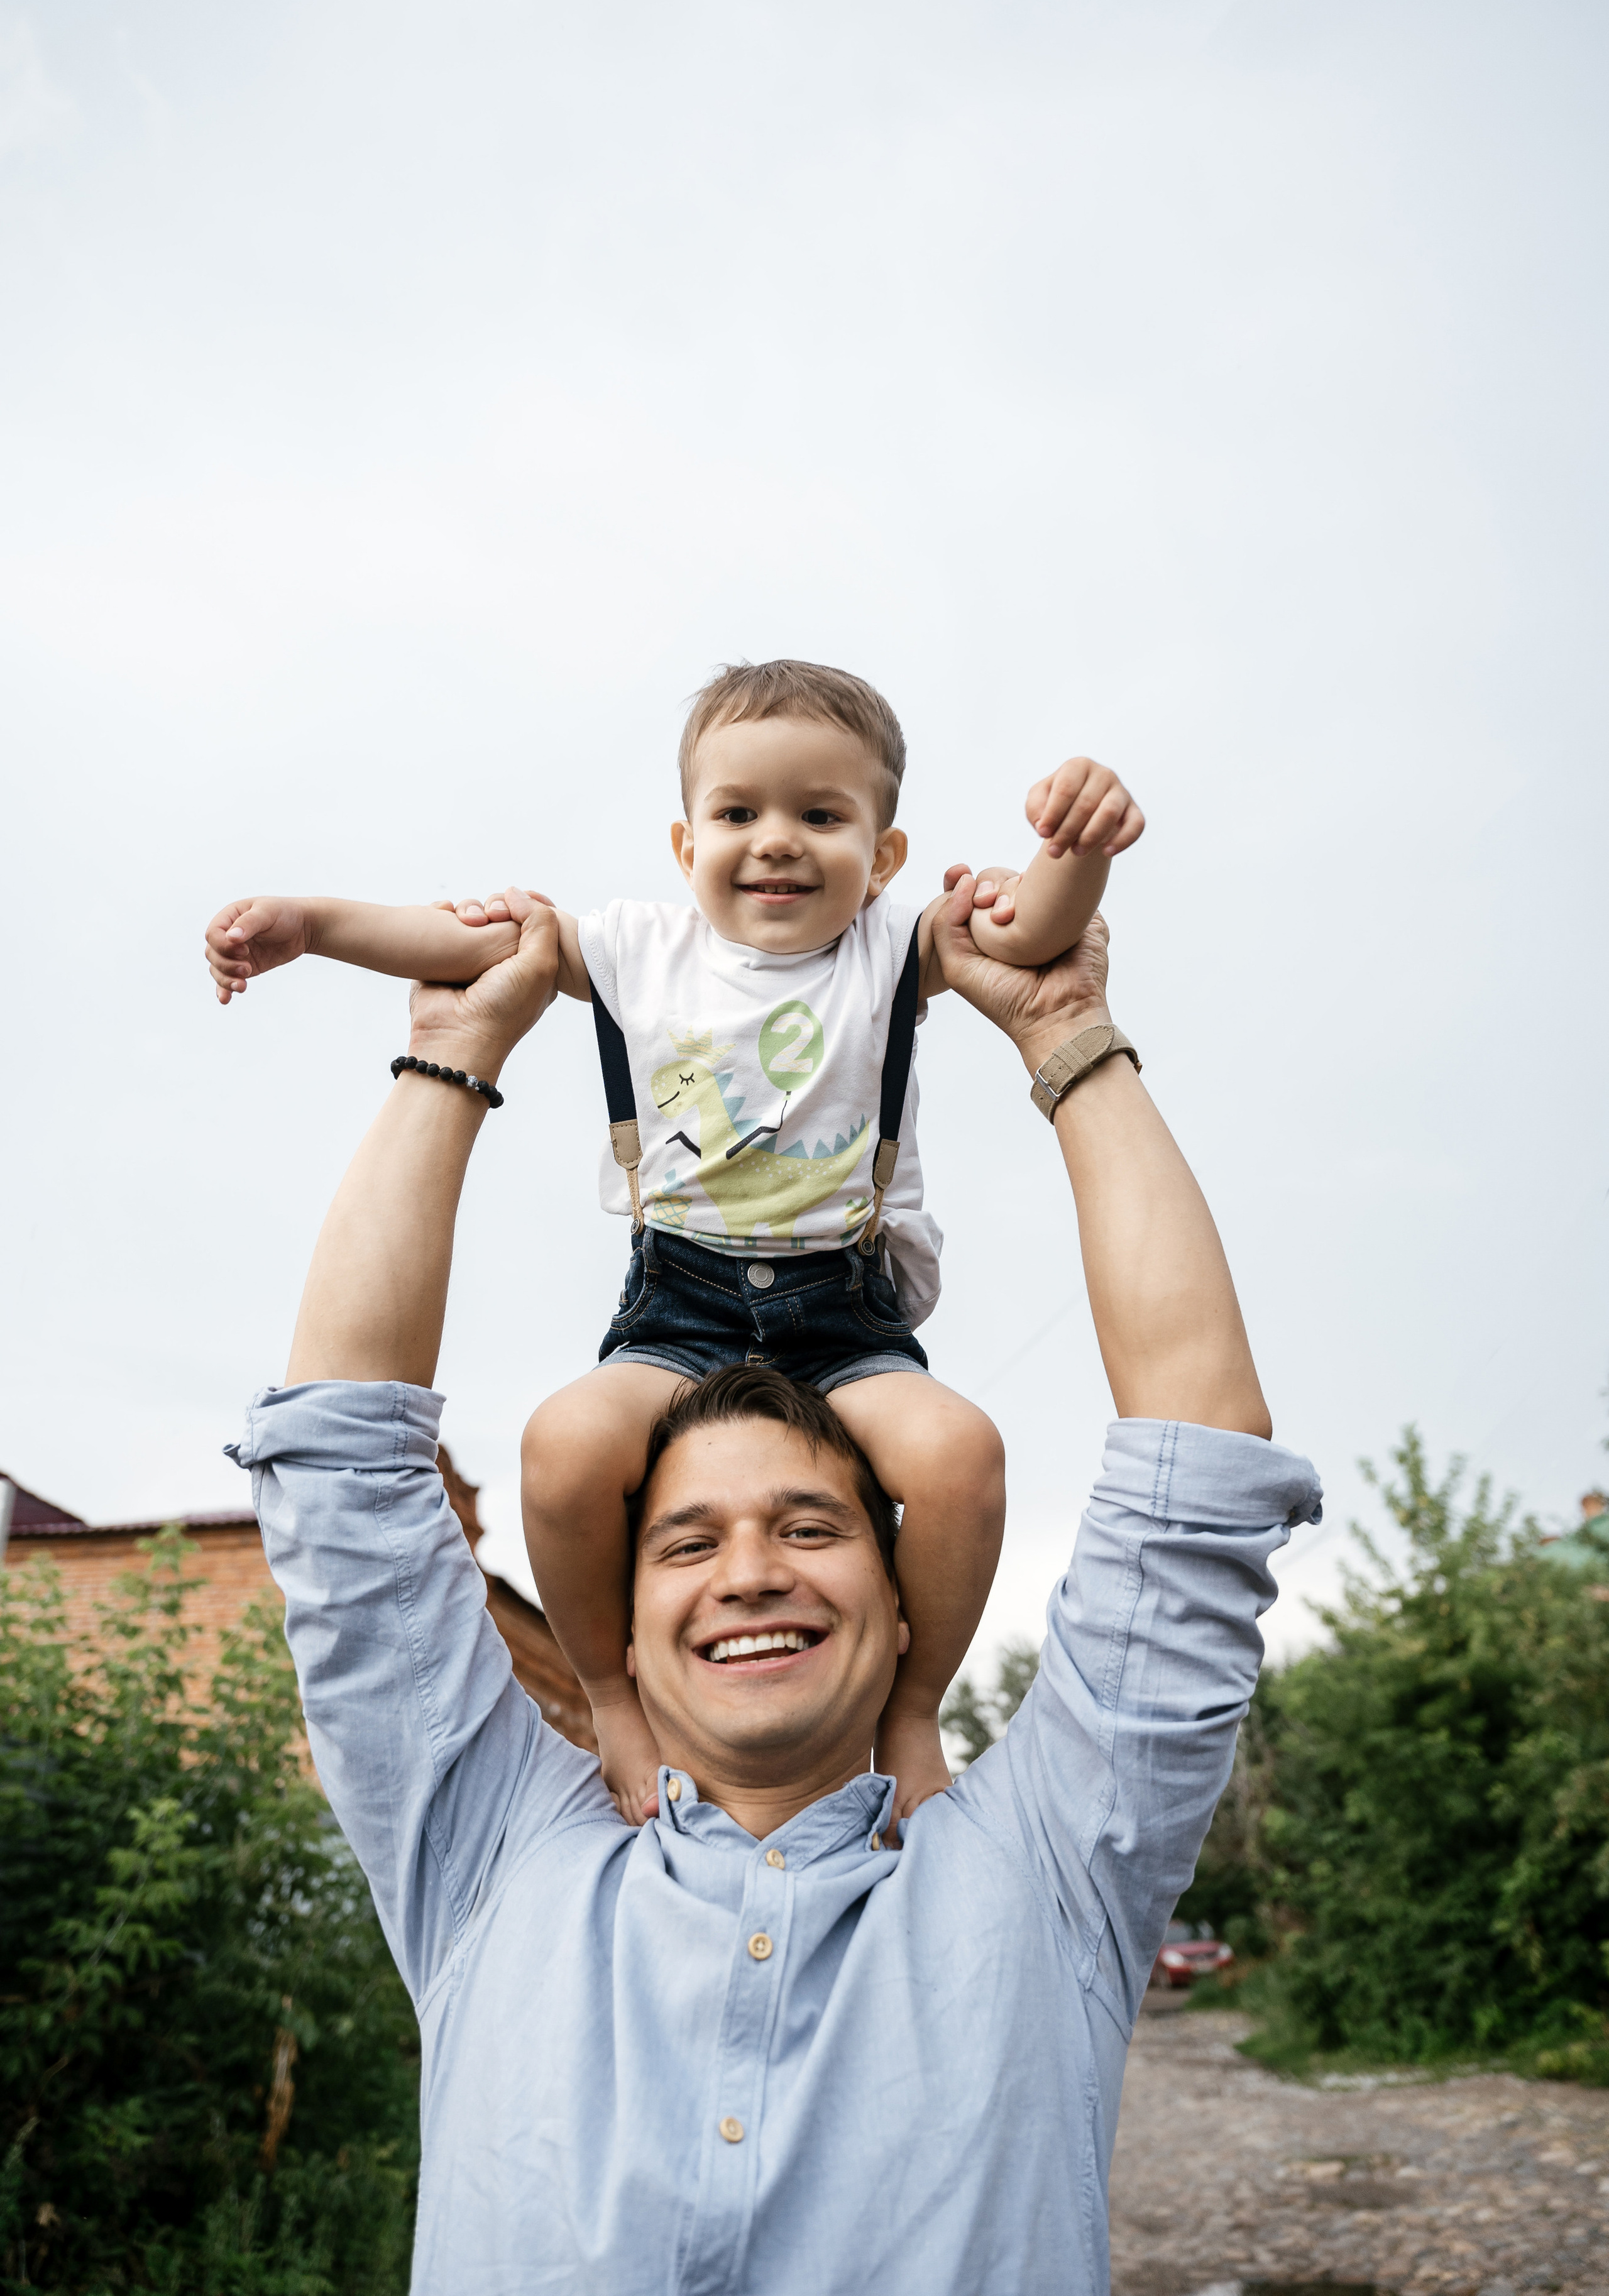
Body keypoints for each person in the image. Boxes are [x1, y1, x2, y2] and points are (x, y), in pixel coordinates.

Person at [229, 872, 1320, 2295]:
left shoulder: (1049, 1872)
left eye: (811, 1528)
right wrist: (451, 1051)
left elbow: (1195, 1486)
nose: (748, 1574)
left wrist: (1065, 1037)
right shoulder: (489, 1858)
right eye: (684, 1542)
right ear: (614, 1612)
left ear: (905, 1588)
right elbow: (346, 1492)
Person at [204, 659, 1146, 1825]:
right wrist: (314, 926)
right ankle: (612, 1693)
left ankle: (912, 1708)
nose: (778, 843)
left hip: (845, 1316)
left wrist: (1079, 847)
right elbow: (467, 945)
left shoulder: (896, 947)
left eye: (821, 815)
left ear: (885, 854)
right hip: (682, 1308)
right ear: (684, 838)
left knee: (960, 1458)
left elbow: (1036, 934)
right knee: (561, 1448)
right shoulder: (633, 950)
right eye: (739, 813)